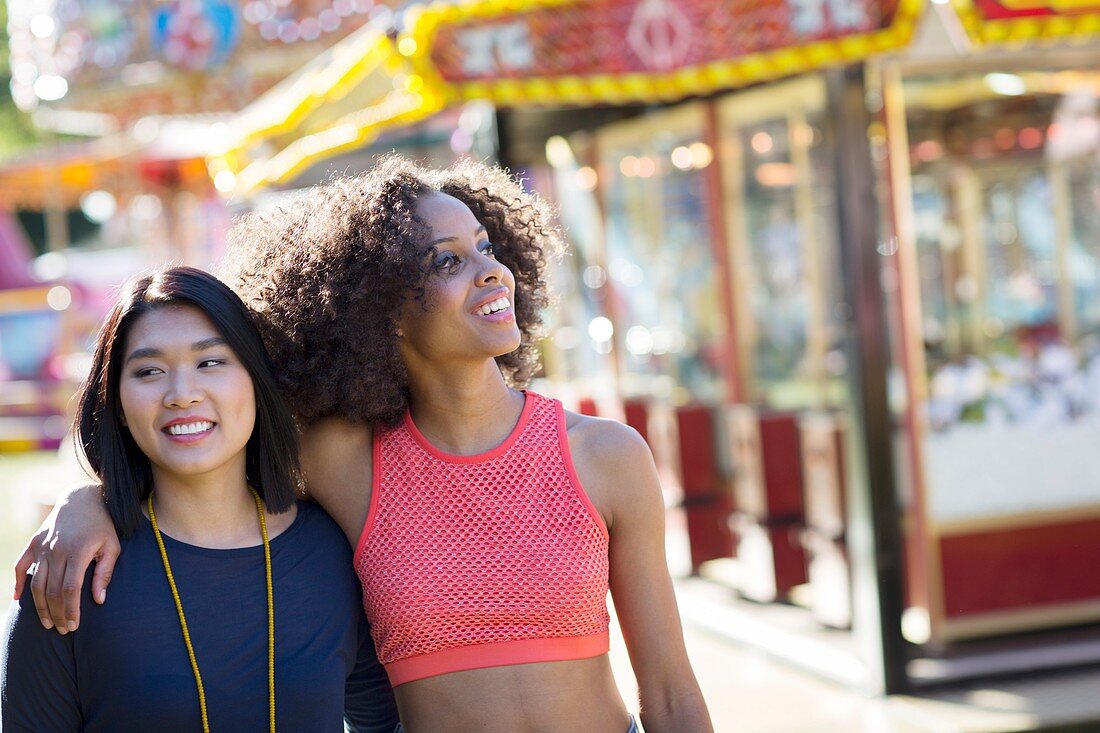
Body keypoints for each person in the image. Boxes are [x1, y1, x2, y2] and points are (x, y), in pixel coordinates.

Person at [15, 156, 713, 733]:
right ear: (381, 307)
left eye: (486, 248)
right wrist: (88, 502)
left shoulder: (606, 456)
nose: (489, 271)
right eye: (446, 262)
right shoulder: (344, 461)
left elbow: (673, 693)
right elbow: (199, 447)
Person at [2, 267, 398, 732]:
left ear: (255, 380)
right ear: (119, 407)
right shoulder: (69, 573)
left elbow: (385, 723)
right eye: (149, 371)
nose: (182, 395)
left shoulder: (333, 550)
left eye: (210, 362)